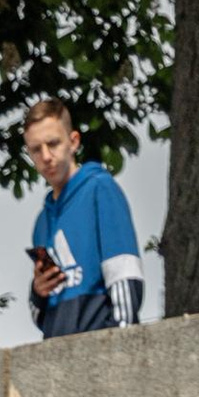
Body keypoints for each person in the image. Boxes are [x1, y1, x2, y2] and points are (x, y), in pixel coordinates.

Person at [25, 98, 146, 335]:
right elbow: (39, 317)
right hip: (55, 357)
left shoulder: (100, 190)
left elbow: (125, 276)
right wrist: (37, 292)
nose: (46, 156)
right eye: (36, 149)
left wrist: (118, 350)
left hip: (100, 350)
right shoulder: (42, 222)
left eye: (53, 144)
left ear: (73, 142)